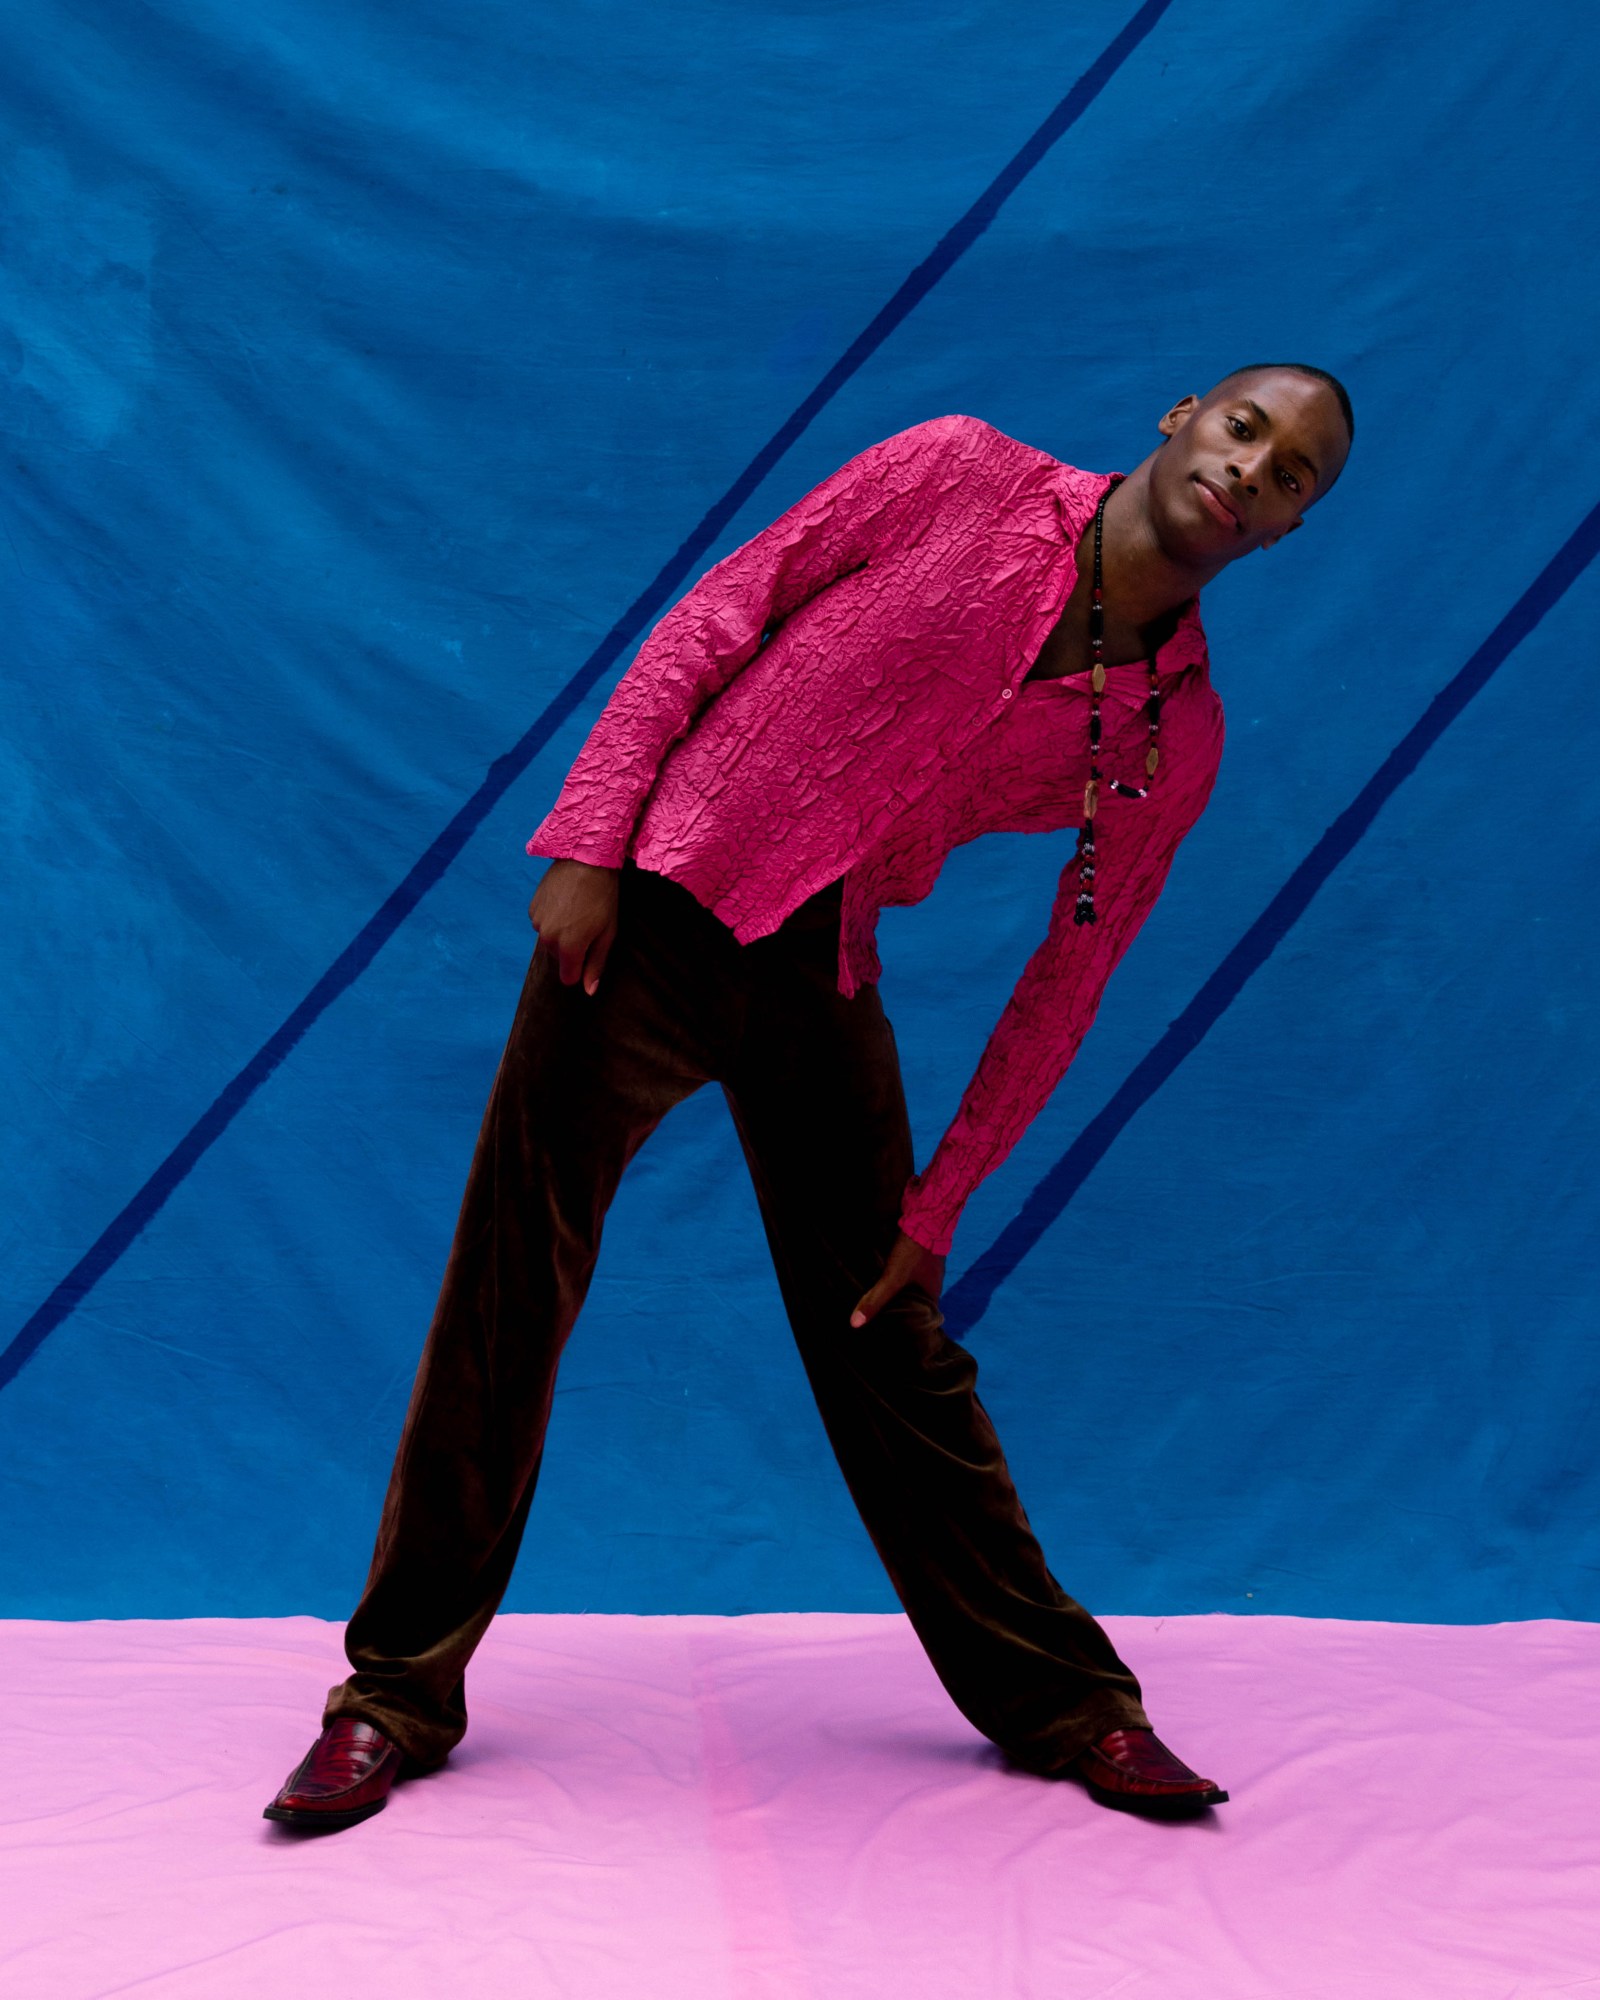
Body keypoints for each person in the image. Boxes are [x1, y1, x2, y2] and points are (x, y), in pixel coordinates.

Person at [265, 363, 1353, 1832]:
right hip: (650, 911)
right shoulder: (960, 470)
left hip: (821, 968)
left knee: (887, 1336)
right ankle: (392, 1697)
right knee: (507, 1296)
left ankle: (1069, 1704)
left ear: (1288, 528)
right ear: (1180, 418)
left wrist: (943, 1198)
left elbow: (1068, 976)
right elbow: (726, 611)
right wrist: (588, 844)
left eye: (1292, 474)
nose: (1252, 468)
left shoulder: (1170, 734)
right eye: (1245, 427)